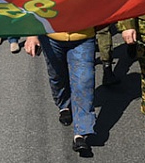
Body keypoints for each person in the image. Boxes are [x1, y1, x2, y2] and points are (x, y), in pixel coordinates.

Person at [25, 28, 97, 157]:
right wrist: (32, 34)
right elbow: (33, 8)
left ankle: (81, 132)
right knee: (57, 76)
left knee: (83, 82)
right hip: (51, 36)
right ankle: (64, 105)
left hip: (83, 36)